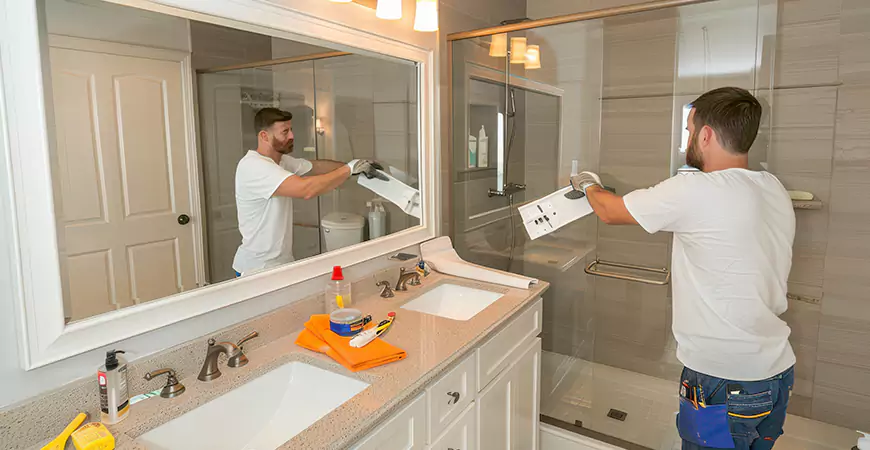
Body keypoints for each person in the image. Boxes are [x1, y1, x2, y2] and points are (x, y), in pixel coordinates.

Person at [571, 87, 796, 450]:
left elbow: (610, 211)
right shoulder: (772, 188)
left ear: (706, 134)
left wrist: (587, 185)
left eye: (690, 131)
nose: (689, 139)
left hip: (723, 380)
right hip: (776, 373)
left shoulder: (696, 189)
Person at [233, 108, 383, 277]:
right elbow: (306, 189)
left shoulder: (280, 162)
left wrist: (356, 166)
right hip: (256, 269)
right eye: (285, 132)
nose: (291, 136)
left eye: (291, 130)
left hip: (280, 264)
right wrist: (349, 169)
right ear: (264, 136)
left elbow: (316, 167)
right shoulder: (254, 166)